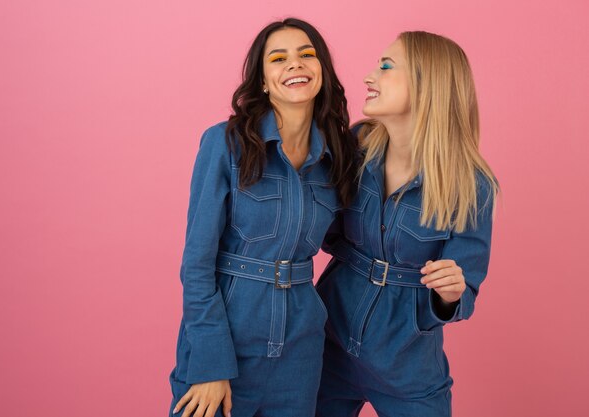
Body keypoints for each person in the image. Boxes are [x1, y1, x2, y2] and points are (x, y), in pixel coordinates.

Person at [169, 18, 358, 417]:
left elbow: (350, 242)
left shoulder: (336, 157)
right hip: (228, 344)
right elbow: (197, 264)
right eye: (279, 58)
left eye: (307, 54)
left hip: (301, 351)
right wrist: (209, 363)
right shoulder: (225, 144)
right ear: (263, 82)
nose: (295, 64)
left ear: (322, 70)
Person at [315, 31, 499, 417]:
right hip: (327, 344)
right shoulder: (357, 144)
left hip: (408, 368)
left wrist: (449, 291)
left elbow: (464, 292)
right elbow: (322, 227)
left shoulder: (471, 184)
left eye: (385, 66)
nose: (369, 76)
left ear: (426, 82)